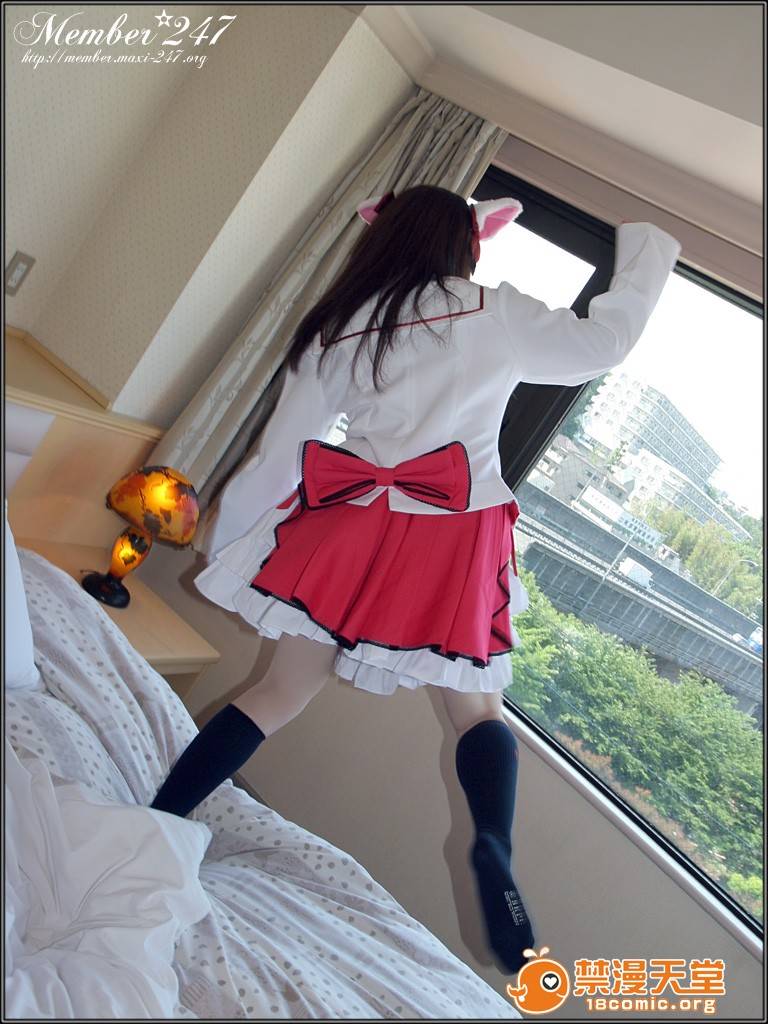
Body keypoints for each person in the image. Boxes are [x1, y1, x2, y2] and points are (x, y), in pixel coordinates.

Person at [149, 184, 682, 973]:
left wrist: (226, 544)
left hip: (352, 520)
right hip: (456, 530)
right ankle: (492, 842)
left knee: (279, 692)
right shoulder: (495, 311)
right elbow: (599, 347)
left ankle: (158, 817)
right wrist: (644, 259)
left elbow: (279, 453)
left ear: (385, 238)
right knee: (476, 711)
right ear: (468, 244)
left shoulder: (345, 320)